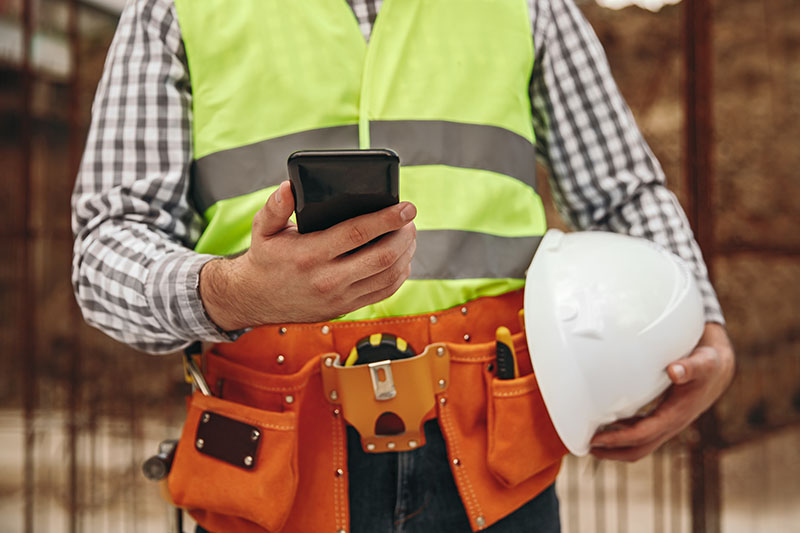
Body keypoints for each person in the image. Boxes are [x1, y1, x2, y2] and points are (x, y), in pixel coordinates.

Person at [71, 0, 735, 531]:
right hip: (274, 465)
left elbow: (622, 192)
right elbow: (105, 248)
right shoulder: (172, 7)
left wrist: (700, 325)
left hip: (495, 463)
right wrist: (234, 292)